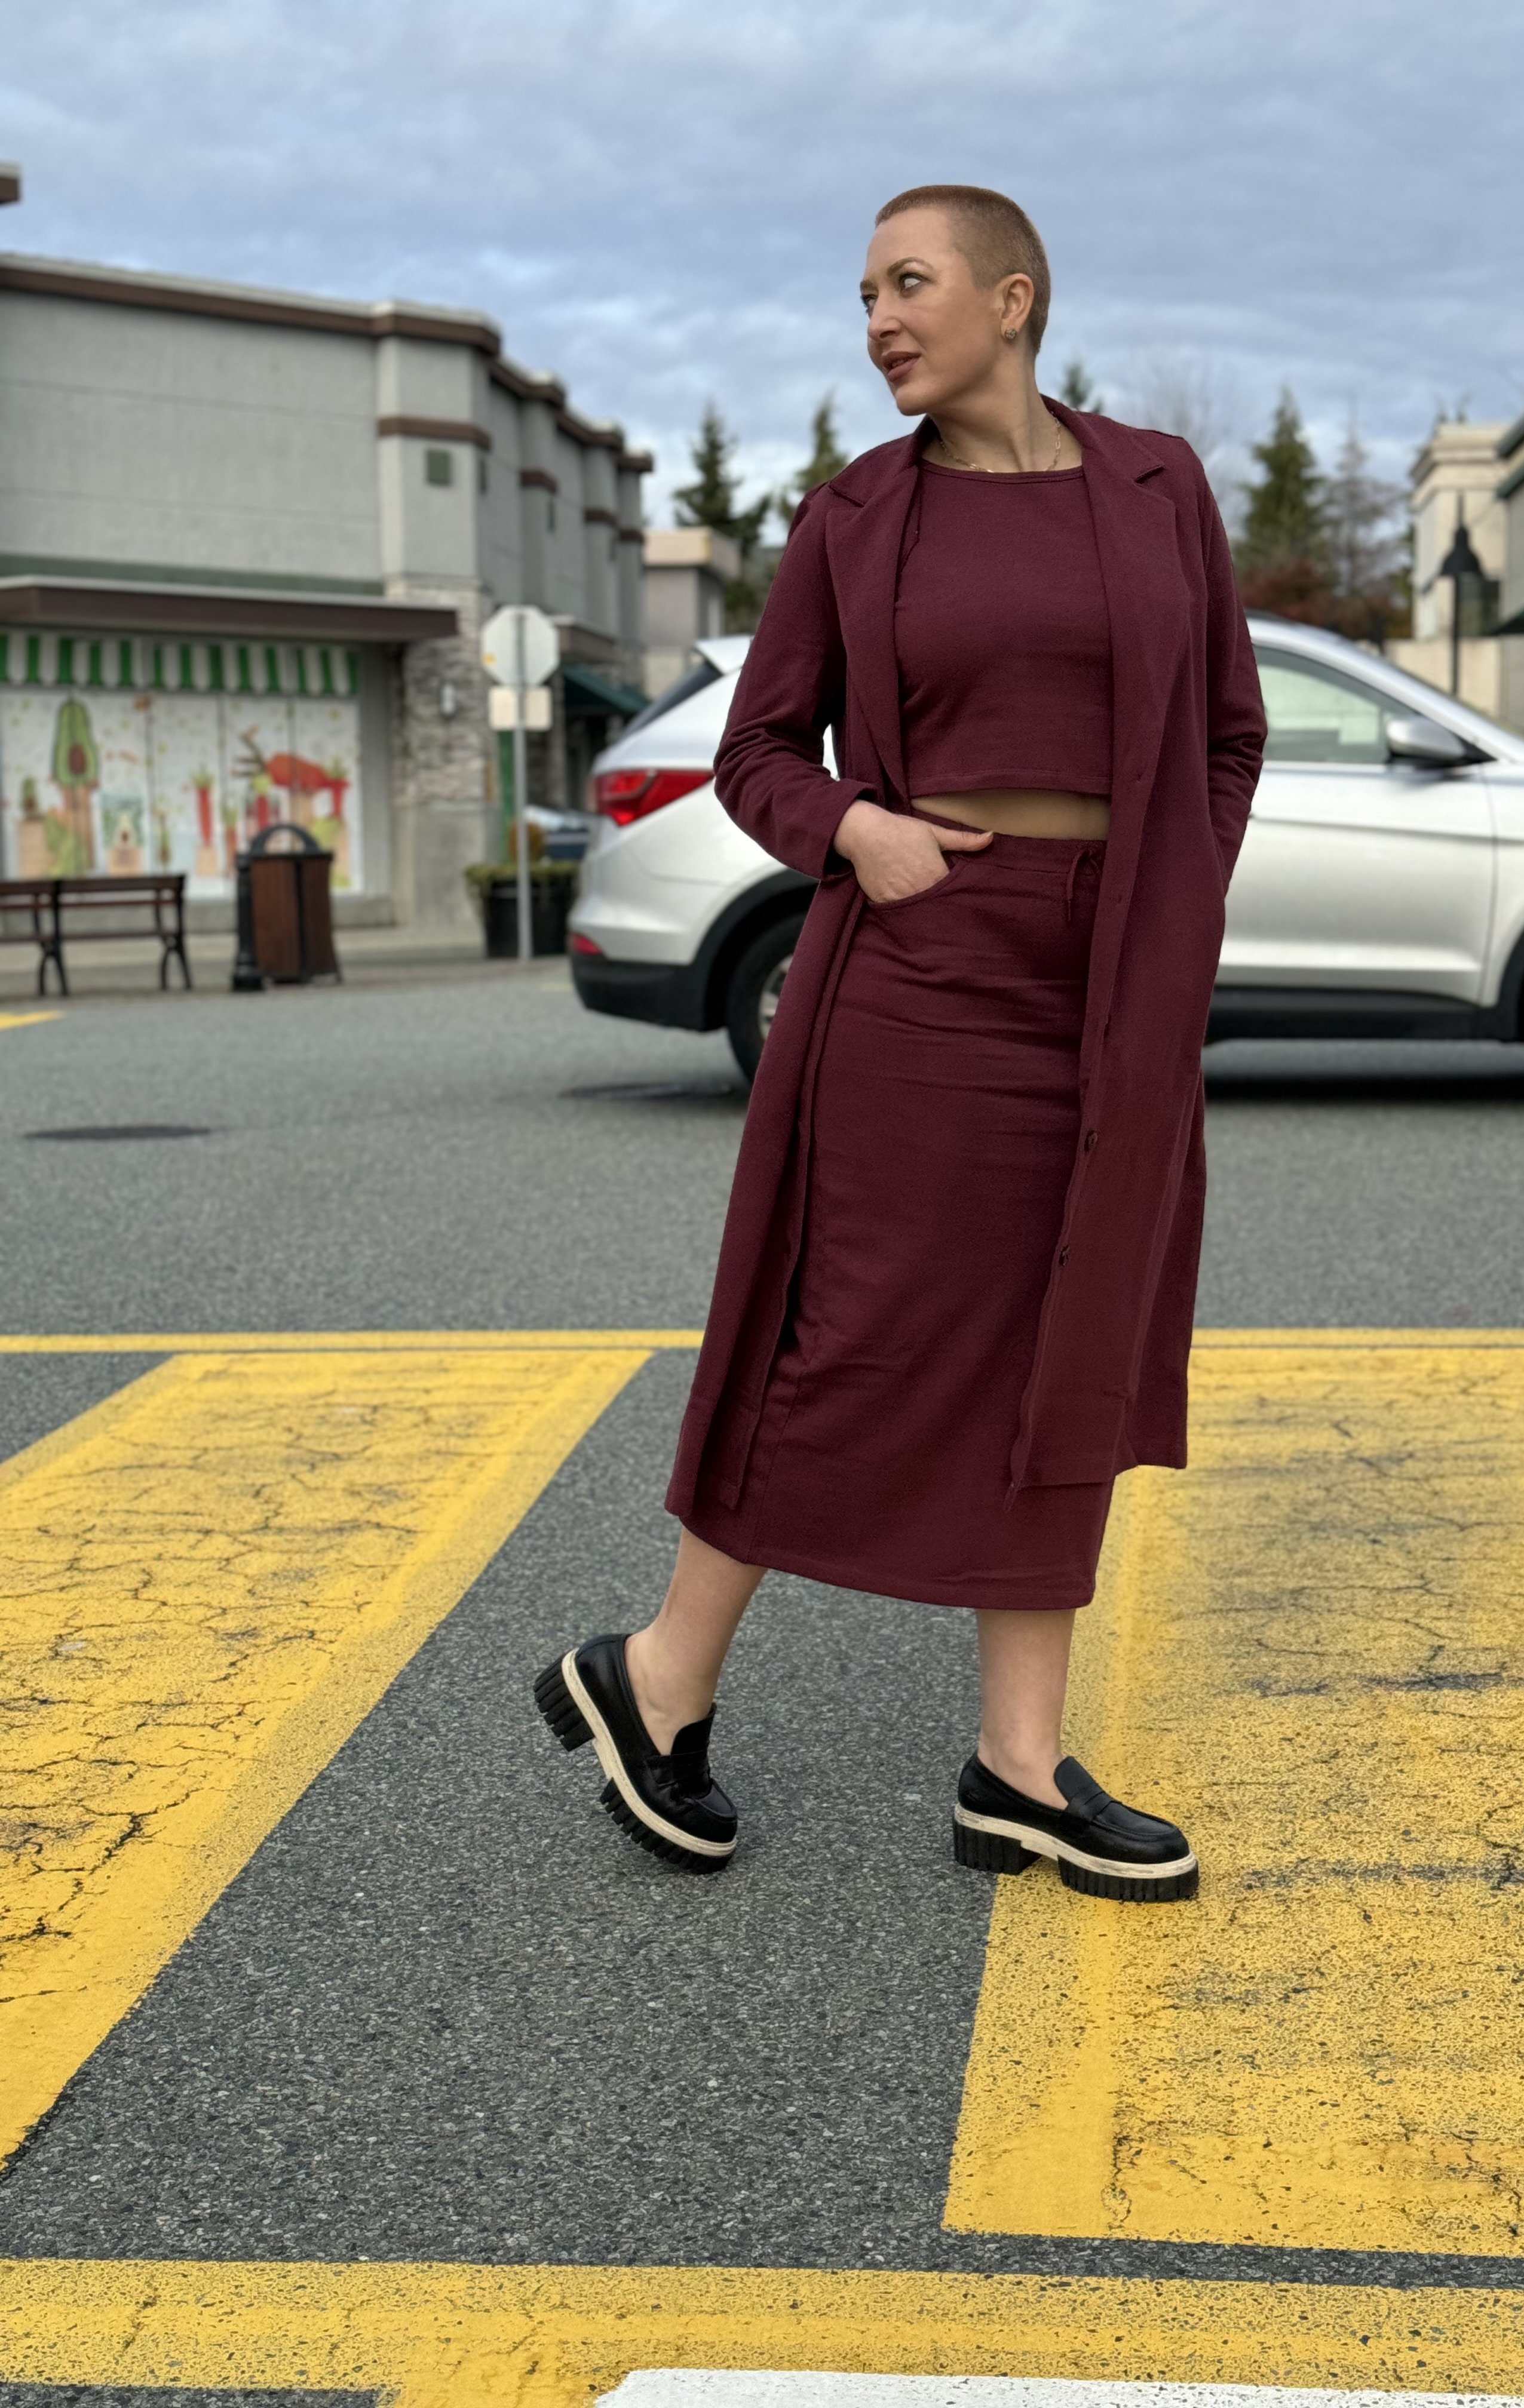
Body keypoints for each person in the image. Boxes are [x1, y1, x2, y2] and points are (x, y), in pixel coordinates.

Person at [536, 185, 1265, 1899]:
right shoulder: (860, 516)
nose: (878, 316)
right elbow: (759, 748)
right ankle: (660, 1677)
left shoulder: (1158, 484)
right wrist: (858, 835)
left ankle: (1017, 1768)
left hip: (1110, 970)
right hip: (924, 962)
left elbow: (1227, 733)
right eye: (864, 290)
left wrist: (1173, 899)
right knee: (851, 1330)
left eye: (909, 282)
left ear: (1014, 299)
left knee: (1063, 1341)